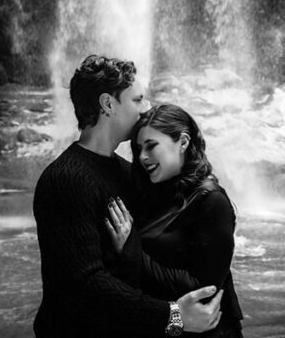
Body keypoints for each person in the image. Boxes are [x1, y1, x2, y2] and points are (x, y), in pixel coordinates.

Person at [33, 55, 223, 337]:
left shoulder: (128, 172)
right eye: (137, 100)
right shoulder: (66, 179)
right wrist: (174, 317)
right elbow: (86, 286)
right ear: (108, 104)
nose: (145, 110)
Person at [106, 103, 243, 337]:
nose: (142, 157)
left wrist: (131, 251)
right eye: (138, 149)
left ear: (183, 142)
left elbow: (202, 289)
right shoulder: (151, 194)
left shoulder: (211, 201)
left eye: (152, 146)